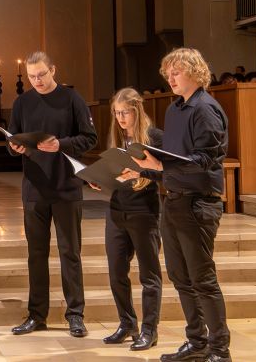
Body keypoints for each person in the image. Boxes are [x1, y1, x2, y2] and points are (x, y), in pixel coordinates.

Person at [124, 47, 231, 362]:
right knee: (180, 277)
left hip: (198, 204)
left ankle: (220, 350)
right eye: (167, 73)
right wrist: (142, 169)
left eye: (176, 72)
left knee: (202, 279)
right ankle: (197, 343)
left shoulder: (205, 109)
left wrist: (157, 168)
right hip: (173, 201)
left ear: (195, 73)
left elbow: (203, 160)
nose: (170, 78)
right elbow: (170, 163)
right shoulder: (175, 110)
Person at [7, 51, 97, 338]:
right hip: (34, 189)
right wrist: (15, 147)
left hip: (67, 187)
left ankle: (75, 315)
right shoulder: (22, 102)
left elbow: (89, 138)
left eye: (42, 75)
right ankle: (37, 315)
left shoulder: (72, 99)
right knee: (36, 254)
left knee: (70, 252)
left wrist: (62, 144)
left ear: (53, 70)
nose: (37, 81)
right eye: (32, 77)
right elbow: (11, 139)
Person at [103, 88, 163, 351]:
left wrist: (139, 172)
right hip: (117, 211)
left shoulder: (154, 138)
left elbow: (165, 174)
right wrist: (101, 180)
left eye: (125, 112)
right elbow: (113, 173)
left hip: (144, 212)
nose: (121, 118)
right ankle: (127, 323)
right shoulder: (117, 138)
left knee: (149, 275)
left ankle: (150, 330)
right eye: (117, 113)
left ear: (137, 110)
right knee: (117, 271)